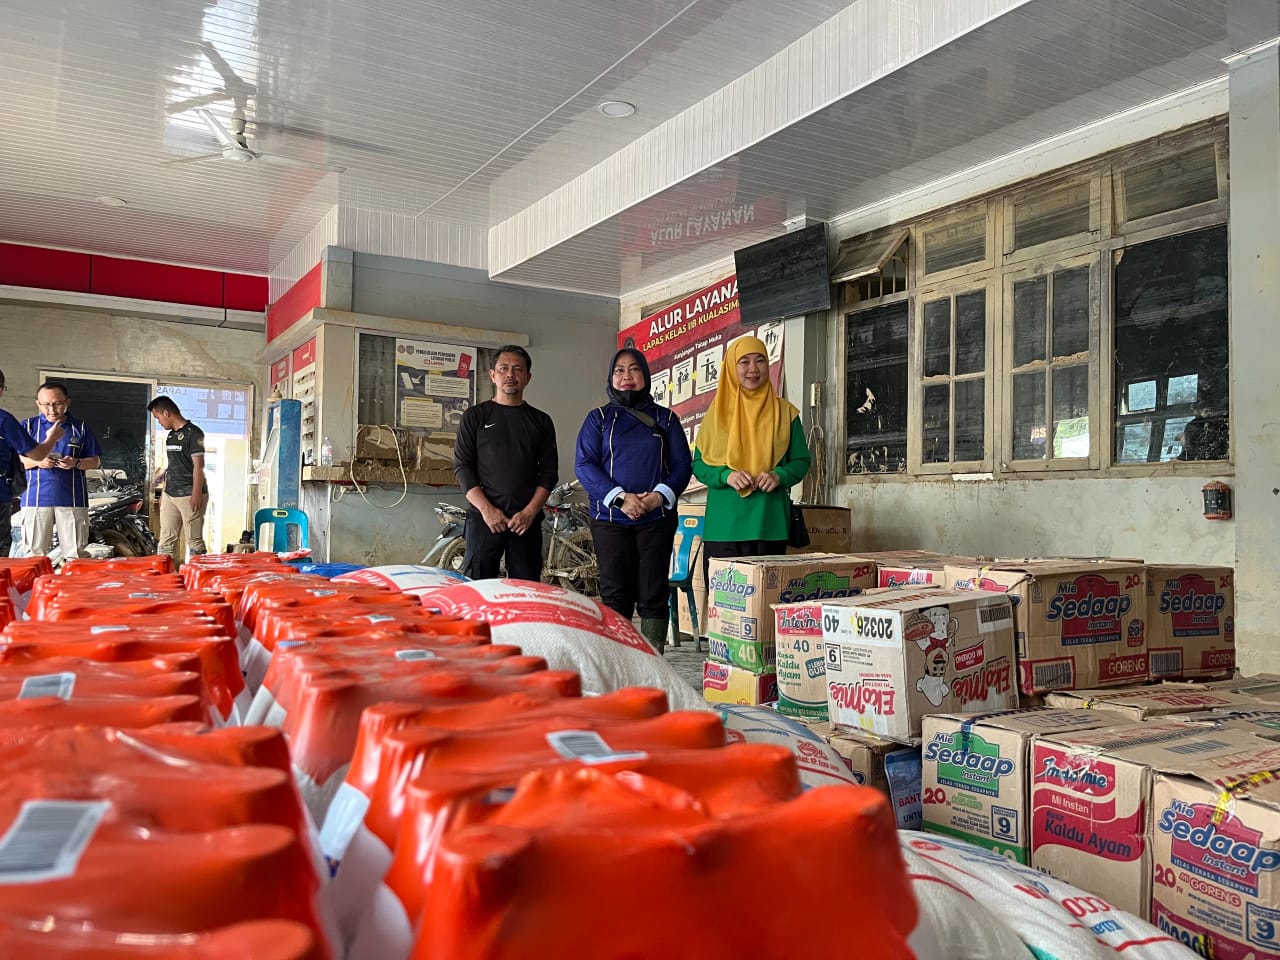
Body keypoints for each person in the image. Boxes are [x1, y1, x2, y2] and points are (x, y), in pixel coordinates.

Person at [575, 348, 692, 653]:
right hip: (610, 521)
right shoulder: (598, 419)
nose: (627, 376)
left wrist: (658, 497)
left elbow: (682, 465)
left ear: (646, 375)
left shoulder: (666, 418)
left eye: (634, 369)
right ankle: (619, 659)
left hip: (656, 520)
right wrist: (620, 498)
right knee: (615, 594)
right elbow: (585, 465)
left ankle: (653, 662)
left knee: (654, 592)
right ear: (611, 377)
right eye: (619, 370)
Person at [692, 335, 811, 580]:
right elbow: (699, 465)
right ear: (731, 368)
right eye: (744, 362)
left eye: (760, 360)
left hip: (769, 523)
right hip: (724, 526)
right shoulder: (716, 415)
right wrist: (726, 475)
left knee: (767, 596)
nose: (753, 369)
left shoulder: (786, 413)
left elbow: (801, 461)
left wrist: (779, 475)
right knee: (725, 598)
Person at [453, 346, 558, 581]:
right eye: (503, 369)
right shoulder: (475, 416)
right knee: (478, 587)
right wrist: (487, 510)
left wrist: (530, 513)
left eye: (518, 369)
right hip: (484, 519)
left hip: (525, 522)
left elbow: (549, 473)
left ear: (528, 377)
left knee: (526, 589)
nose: (510, 374)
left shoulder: (541, 421)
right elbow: (462, 467)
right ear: (493, 375)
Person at [18, 381, 102, 559]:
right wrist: (38, 461)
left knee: (75, 555)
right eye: (46, 404)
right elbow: (17, 461)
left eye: (57, 404)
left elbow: (95, 462)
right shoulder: (28, 427)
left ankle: (72, 578)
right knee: (34, 556)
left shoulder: (80, 428)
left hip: (72, 499)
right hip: (35, 498)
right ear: (38, 404)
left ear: (67, 403)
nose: (52, 410)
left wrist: (75, 463)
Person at [147, 395, 208, 563]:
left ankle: (199, 572)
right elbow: (172, 466)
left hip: (190, 494)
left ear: (166, 413)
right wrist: (164, 492)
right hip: (171, 493)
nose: (159, 422)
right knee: (166, 539)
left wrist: (196, 493)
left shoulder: (194, 433)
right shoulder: (171, 436)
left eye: (158, 418)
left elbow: (198, 466)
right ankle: (163, 573)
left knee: (194, 540)